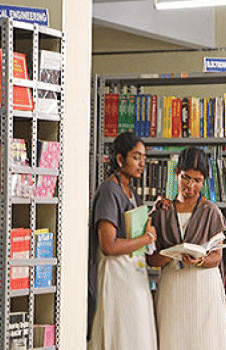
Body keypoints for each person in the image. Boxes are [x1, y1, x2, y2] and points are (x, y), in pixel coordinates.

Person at [148, 147, 226, 350]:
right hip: (172, 287)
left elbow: (218, 257)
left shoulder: (211, 211)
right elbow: (150, 258)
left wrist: (200, 260)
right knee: (172, 339)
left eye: (197, 180)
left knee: (205, 342)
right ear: (176, 174)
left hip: (203, 288)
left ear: (204, 182)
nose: (190, 185)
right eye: (186, 178)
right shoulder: (162, 211)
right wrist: (168, 256)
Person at [87, 132, 158, 350]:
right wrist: (146, 238)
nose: (142, 163)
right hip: (116, 274)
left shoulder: (131, 192)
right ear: (120, 159)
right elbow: (108, 246)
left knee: (138, 335)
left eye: (144, 158)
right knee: (122, 335)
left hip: (133, 274)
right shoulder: (110, 190)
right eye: (136, 157)